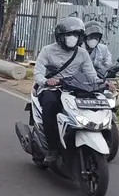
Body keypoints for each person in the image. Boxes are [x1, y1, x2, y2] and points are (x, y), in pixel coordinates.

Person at [33, 17, 99, 162]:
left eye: (76, 35)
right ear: (60, 36)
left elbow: (91, 75)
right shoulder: (47, 51)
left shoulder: (82, 53)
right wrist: (46, 81)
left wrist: (104, 83)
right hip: (52, 88)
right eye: (69, 35)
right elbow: (38, 72)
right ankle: (52, 148)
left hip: (74, 89)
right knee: (51, 105)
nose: (72, 38)